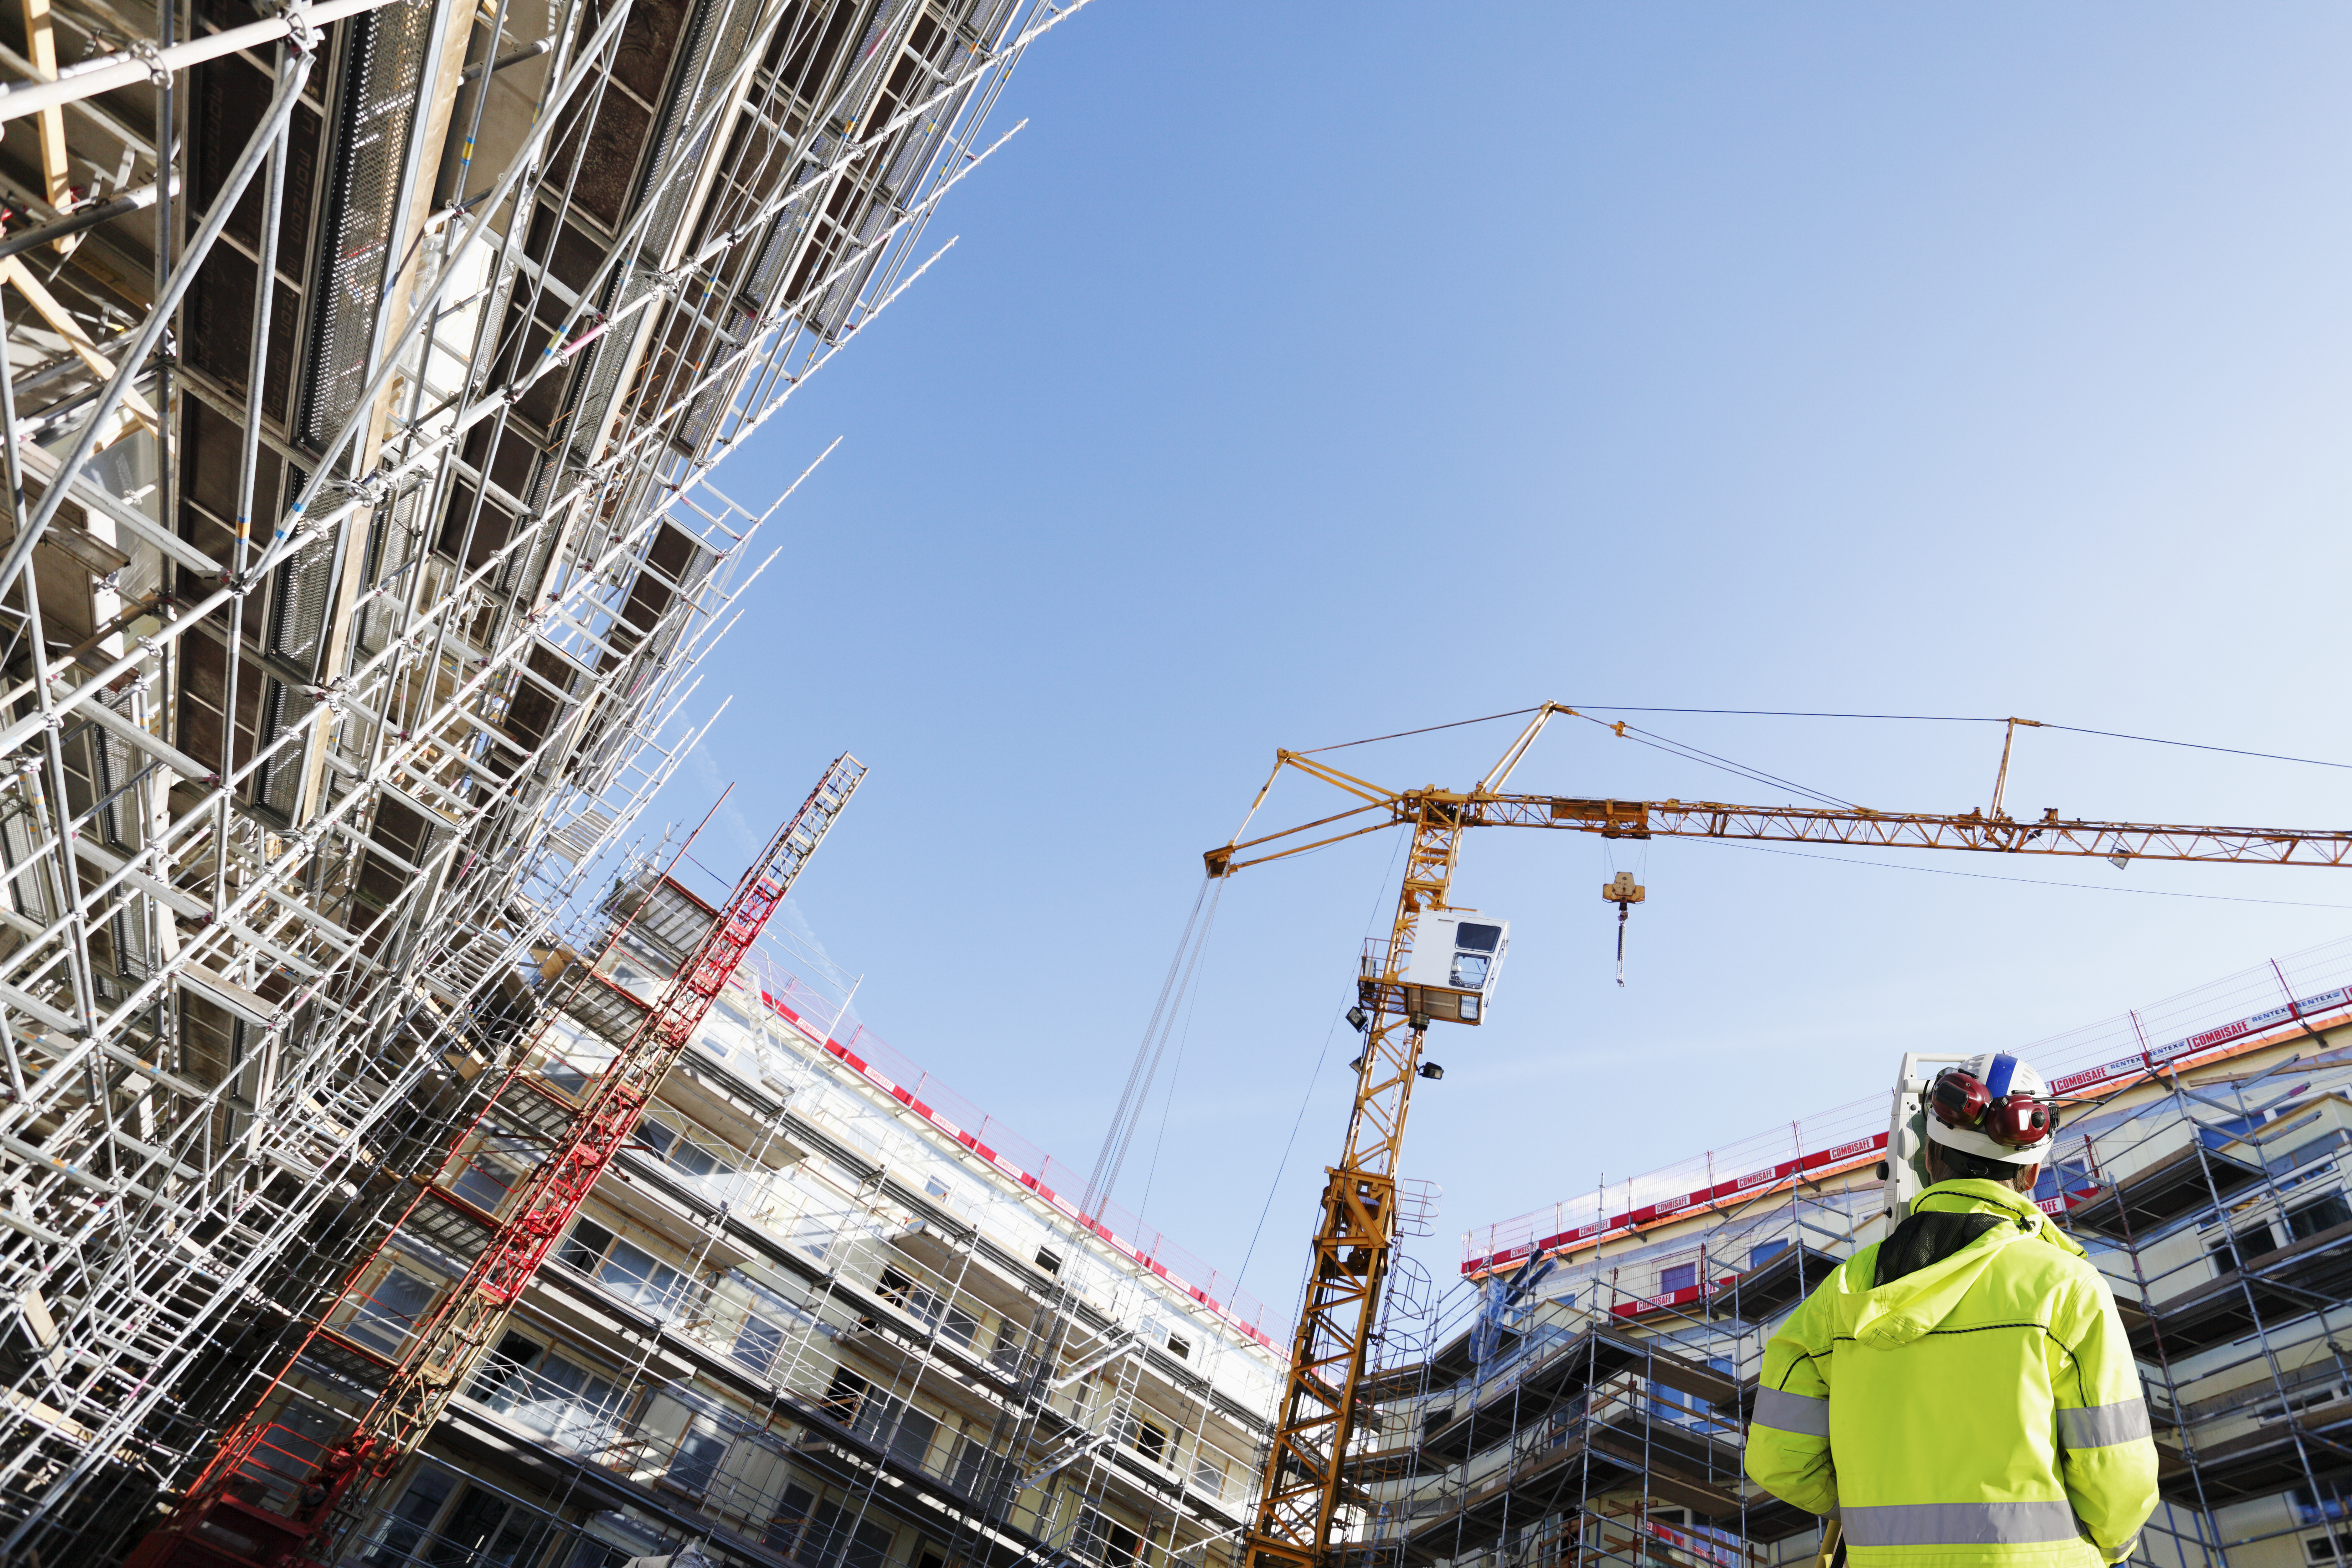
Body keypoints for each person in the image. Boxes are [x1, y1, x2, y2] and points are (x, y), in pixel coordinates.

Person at [1745, 1052, 2159, 1568]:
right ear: (2031, 1173)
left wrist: (1875, 1506)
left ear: (1926, 1156)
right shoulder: (2067, 1287)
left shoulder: (1843, 1293)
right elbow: (2120, 1475)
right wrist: (2114, 1545)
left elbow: (1776, 1459)